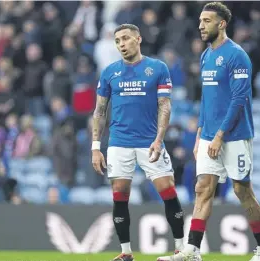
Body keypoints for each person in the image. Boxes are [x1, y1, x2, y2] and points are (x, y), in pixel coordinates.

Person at [157, 3, 260, 261]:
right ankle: (192, 250)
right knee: (203, 188)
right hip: (209, 135)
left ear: (222, 24)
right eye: (200, 20)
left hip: (234, 136)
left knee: (242, 191)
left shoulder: (237, 55)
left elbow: (239, 98)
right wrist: (201, 134)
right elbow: (207, 101)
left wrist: (220, 135)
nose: (200, 25)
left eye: (207, 20)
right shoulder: (205, 56)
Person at [91, 24, 185, 261]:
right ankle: (126, 252)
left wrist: (159, 139)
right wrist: (95, 148)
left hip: (149, 142)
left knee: (167, 190)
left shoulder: (157, 68)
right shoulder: (109, 72)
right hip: (119, 143)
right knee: (119, 193)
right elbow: (99, 112)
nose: (121, 44)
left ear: (138, 39)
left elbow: (165, 105)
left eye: (125, 38)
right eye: (117, 41)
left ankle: (181, 249)